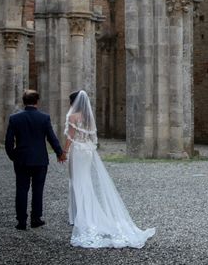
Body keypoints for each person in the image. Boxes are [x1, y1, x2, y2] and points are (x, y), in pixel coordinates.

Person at [64, 90, 155, 248]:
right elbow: (93, 138)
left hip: (78, 151)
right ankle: (84, 213)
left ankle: (82, 216)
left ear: (73, 102)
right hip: (88, 151)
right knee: (85, 181)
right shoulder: (88, 118)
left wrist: (64, 152)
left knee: (78, 181)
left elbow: (70, 138)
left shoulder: (73, 117)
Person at [5, 89, 66, 230]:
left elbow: (9, 141)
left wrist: (13, 156)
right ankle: (36, 219)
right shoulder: (44, 118)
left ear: (23, 102)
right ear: (37, 102)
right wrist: (59, 153)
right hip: (40, 160)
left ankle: (21, 221)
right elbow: (52, 137)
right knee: (38, 190)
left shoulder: (14, 118)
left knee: (21, 189)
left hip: (21, 160)